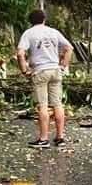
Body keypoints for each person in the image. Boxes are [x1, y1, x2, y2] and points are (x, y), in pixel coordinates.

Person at [16, 10, 73, 148]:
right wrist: (63, 65)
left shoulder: (28, 33)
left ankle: (43, 139)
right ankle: (60, 138)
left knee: (42, 105)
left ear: (31, 21)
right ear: (44, 19)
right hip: (55, 70)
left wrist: (24, 70)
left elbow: (20, 53)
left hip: (40, 71)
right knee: (57, 104)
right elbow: (69, 48)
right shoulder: (54, 32)